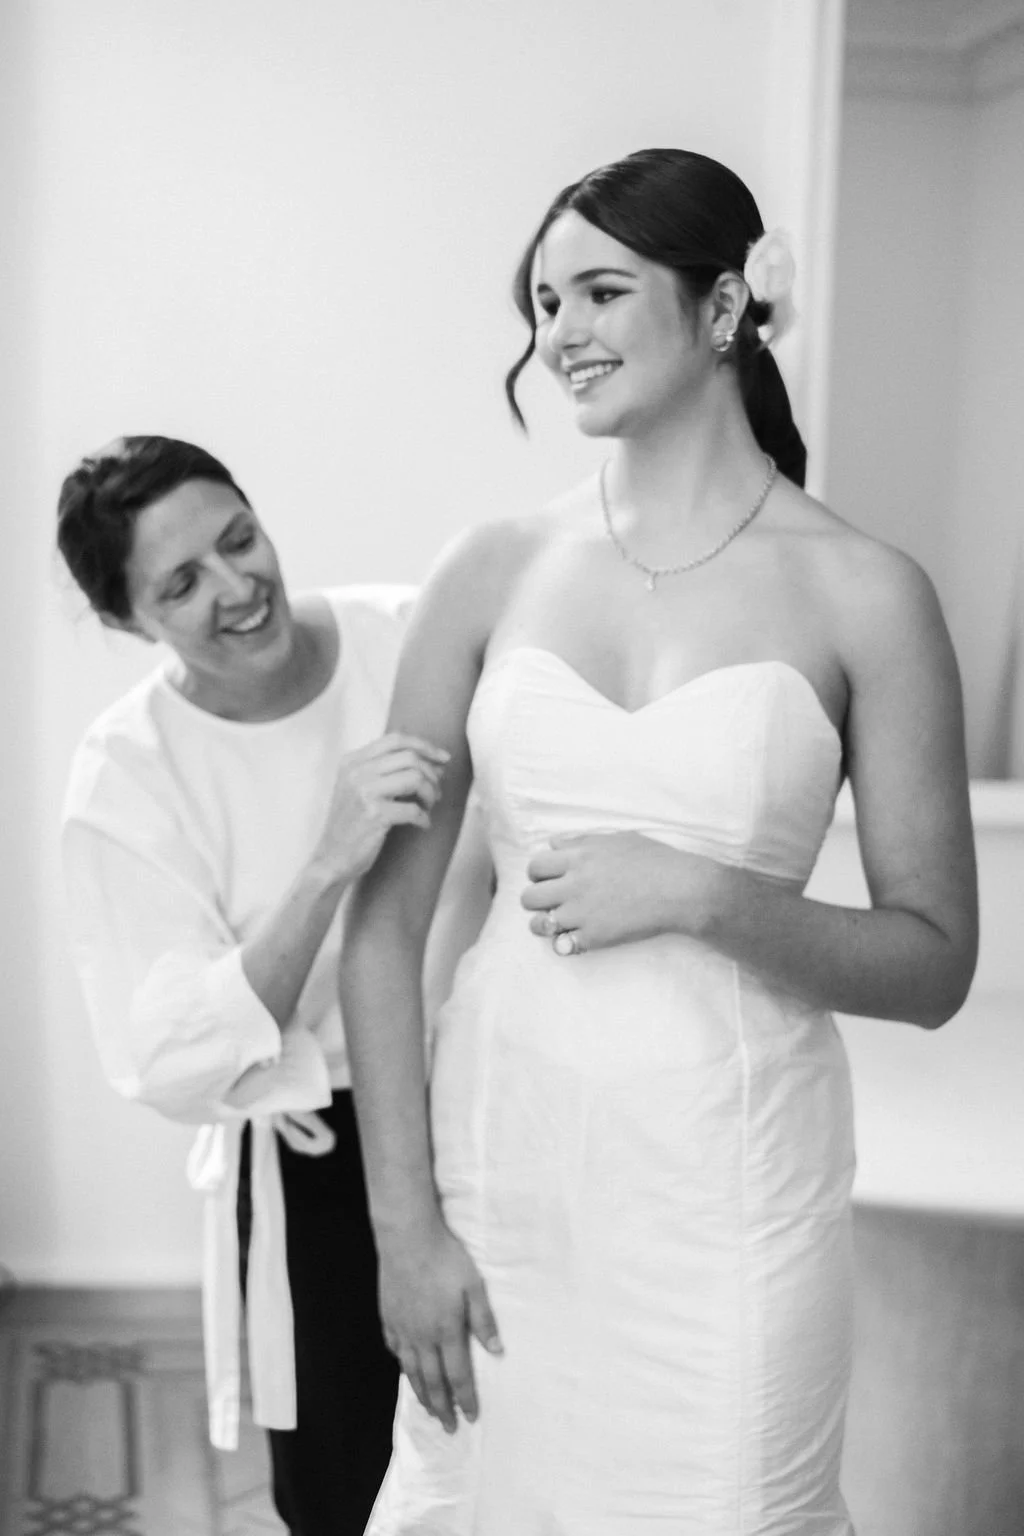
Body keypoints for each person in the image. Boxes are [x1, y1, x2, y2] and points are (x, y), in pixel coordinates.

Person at [338, 149, 979, 1534]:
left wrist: (702, 893)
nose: (557, 332)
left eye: (599, 290)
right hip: (500, 1176)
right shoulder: (489, 567)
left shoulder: (869, 594)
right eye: (543, 300)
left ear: (726, 305)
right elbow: (384, 927)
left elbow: (933, 966)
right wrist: (405, 1229)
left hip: (731, 1200)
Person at [57, 436, 492, 1536]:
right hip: (319, 1157)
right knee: (352, 1482)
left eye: (238, 538)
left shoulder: (411, 637)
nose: (238, 587)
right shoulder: (128, 776)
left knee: (506, 1446)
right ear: (128, 623)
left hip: (495, 1100)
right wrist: (327, 864)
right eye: (181, 584)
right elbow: (166, 1058)